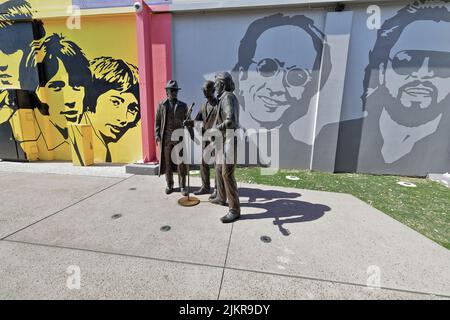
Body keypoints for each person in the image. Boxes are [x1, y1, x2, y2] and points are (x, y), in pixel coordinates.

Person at [316, 0, 450, 177]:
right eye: (406, 59)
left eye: (438, 63)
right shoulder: (329, 133)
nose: (422, 74)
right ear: (380, 70)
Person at [231, 13, 331, 168]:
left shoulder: (305, 150)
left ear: (310, 90)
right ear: (243, 73)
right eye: (267, 67)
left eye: (297, 77)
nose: (277, 88)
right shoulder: (223, 142)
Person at [24, 33, 92, 160]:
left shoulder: (87, 133)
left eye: (77, 86)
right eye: (56, 87)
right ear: (36, 91)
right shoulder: (31, 140)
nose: (70, 101)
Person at [83, 57, 140, 162]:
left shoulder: (104, 150)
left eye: (132, 109)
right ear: (91, 97)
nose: (124, 119)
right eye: (116, 102)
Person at [210, 72, 241, 224]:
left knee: (227, 174)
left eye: (216, 84)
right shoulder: (222, 98)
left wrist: (217, 128)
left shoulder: (228, 97)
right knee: (218, 168)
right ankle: (221, 197)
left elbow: (232, 120)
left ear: (221, 84)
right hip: (222, 140)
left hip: (229, 139)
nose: (214, 87)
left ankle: (234, 209)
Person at [155, 80, 190, 196]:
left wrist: (188, 122)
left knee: (181, 163)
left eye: (176, 91)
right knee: (168, 163)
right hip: (166, 138)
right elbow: (158, 121)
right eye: (172, 90)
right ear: (167, 92)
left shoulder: (183, 106)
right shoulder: (161, 105)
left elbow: (188, 121)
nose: (174, 92)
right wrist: (156, 134)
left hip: (179, 137)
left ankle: (183, 185)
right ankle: (169, 184)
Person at [183, 80, 218, 196]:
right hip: (206, 140)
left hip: (217, 139)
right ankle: (205, 187)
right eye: (203, 89)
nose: (203, 91)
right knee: (203, 163)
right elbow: (198, 121)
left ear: (213, 90)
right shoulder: (204, 106)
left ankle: (218, 189)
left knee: (218, 164)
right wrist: (189, 123)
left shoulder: (219, 104)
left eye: (206, 89)